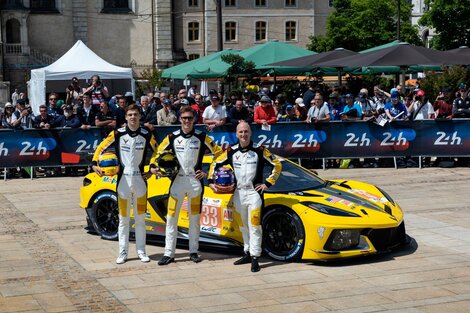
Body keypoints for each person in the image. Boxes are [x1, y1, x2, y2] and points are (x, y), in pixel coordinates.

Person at [150, 106, 222, 266]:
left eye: (190, 118)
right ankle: (169, 253)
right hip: (177, 183)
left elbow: (220, 155)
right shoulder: (172, 137)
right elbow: (156, 155)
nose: (187, 121)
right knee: (171, 219)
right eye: (184, 118)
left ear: (194, 119)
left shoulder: (202, 137)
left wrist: (208, 173)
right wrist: (153, 167)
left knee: (195, 220)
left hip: (195, 184)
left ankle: (193, 252)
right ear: (180, 119)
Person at [208, 121, 282, 272]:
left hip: (254, 194)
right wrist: (211, 182)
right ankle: (247, 252)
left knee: (254, 226)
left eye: (246, 131)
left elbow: (277, 164)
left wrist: (268, 184)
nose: (243, 134)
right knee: (243, 226)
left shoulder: (260, 150)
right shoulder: (231, 151)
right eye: (240, 132)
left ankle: (255, 257)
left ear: (250, 133)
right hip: (238, 194)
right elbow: (214, 163)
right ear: (236, 134)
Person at [92, 104, 157, 264]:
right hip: (122, 183)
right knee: (123, 219)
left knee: (141, 219)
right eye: (130, 115)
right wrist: (94, 163)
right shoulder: (117, 133)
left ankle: (141, 251)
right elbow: (101, 147)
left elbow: (158, 152)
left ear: (140, 116)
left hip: (141, 182)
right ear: (126, 117)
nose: (133, 117)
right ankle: (123, 252)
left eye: (135, 114)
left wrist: (152, 170)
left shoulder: (146, 133)